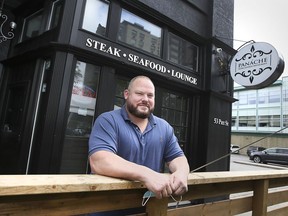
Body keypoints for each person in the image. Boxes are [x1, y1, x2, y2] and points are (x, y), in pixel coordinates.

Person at [88, 75, 190, 214]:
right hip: (106, 209)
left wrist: (182, 173)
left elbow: (178, 157)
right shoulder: (108, 120)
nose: (145, 99)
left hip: (147, 209)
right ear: (126, 94)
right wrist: (147, 174)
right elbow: (99, 161)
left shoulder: (164, 127)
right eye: (139, 93)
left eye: (150, 95)